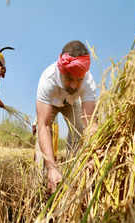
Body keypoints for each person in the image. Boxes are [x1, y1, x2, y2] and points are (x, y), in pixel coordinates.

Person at [36, 40, 97, 193]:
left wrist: (92, 154)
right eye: (70, 78)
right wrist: (51, 167)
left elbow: (90, 123)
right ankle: (45, 180)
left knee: (79, 131)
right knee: (41, 132)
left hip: (71, 103)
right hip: (52, 102)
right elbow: (44, 125)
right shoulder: (47, 80)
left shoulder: (88, 82)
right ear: (61, 70)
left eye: (79, 80)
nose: (75, 85)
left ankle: (74, 175)